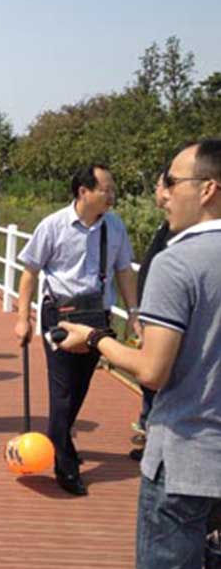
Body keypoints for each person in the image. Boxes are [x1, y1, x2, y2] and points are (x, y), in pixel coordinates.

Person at [58, 140, 221, 568]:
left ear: (207, 189)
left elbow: (152, 370)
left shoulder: (178, 261)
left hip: (186, 459)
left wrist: (96, 339)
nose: (162, 195)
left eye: (171, 182)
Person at [14, 163, 139, 496]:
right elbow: (30, 272)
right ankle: (65, 465)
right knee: (63, 390)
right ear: (84, 192)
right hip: (60, 314)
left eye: (113, 190)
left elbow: (124, 271)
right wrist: (23, 317)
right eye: (106, 190)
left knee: (80, 386)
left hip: (96, 315)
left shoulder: (114, 226)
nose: (112, 196)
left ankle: (59, 438)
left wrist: (133, 313)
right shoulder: (53, 226)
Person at [129, 171, 173, 462]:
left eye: (160, 185)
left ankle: (155, 441)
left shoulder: (181, 230)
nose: (157, 191)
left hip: (164, 319)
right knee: (150, 383)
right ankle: (148, 430)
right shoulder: (166, 225)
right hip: (151, 314)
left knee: (155, 376)